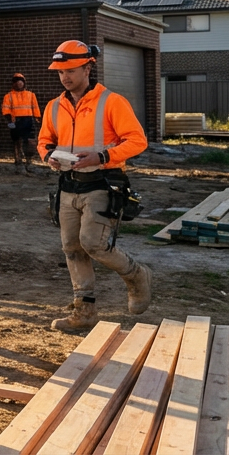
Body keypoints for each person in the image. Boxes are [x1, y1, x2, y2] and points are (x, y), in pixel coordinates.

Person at [37, 40, 152, 332]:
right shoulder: (54, 106)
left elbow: (138, 140)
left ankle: (137, 276)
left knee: (94, 244)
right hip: (68, 186)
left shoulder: (112, 102)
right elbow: (44, 142)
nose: (65, 77)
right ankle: (84, 312)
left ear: (88, 67)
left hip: (103, 183)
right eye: (60, 72)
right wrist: (49, 156)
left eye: (71, 70)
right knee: (72, 247)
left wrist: (102, 156)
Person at [2, 73, 41, 173]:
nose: (19, 83)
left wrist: (37, 118)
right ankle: (18, 161)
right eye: (17, 81)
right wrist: (10, 121)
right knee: (17, 142)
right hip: (16, 121)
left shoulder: (31, 95)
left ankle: (29, 161)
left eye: (21, 81)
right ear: (14, 84)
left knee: (31, 142)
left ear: (24, 83)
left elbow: (35, 107)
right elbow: (6, 110)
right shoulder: (9, 96)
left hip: (29, 120)